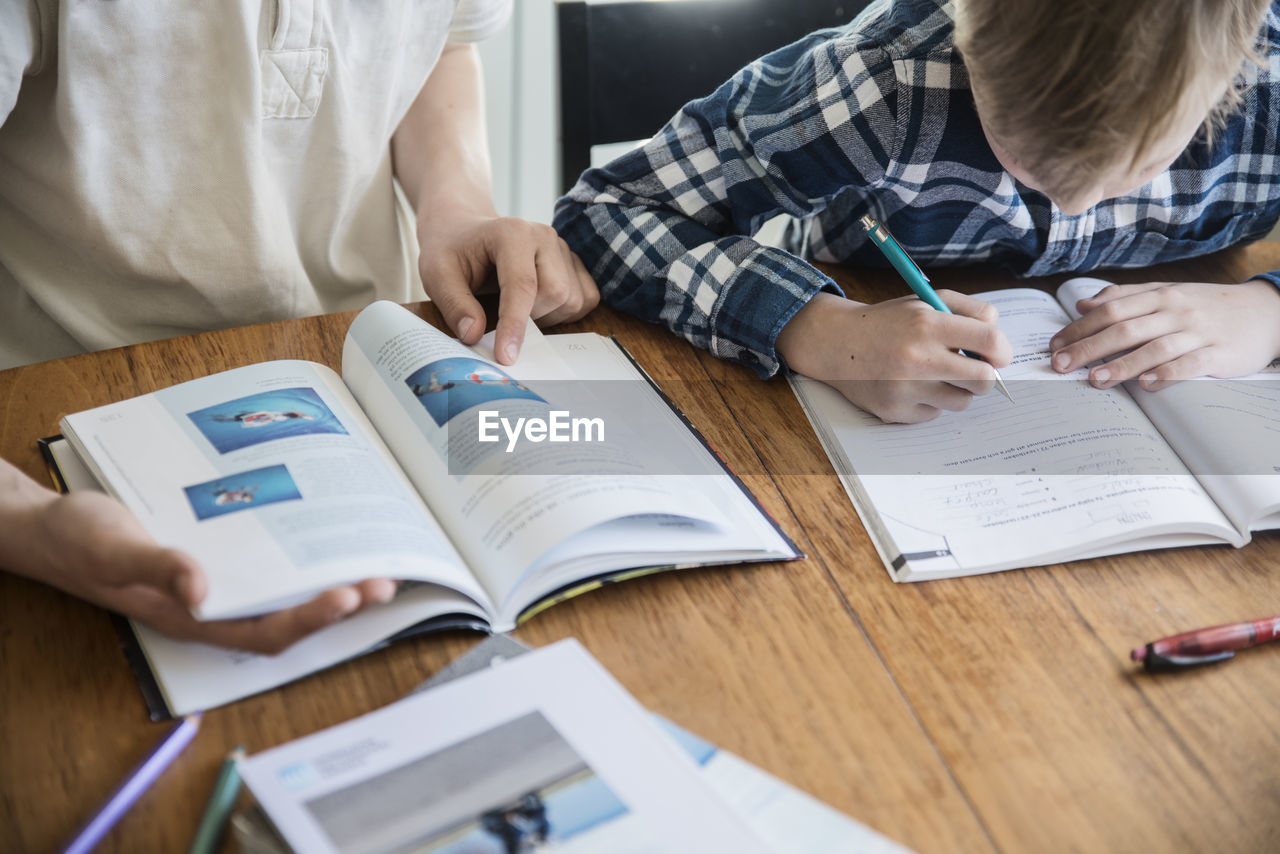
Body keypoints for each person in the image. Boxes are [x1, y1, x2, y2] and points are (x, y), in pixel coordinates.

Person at [0, 0, 598, 653]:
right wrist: (30, 526)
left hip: (365, 364)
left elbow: (441, 43)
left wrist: (455, 210)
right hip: (63, 405)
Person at [554, 0, 1280, 426]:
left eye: (1145, 163)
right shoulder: (885, 82)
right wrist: (816, 330)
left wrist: (1266, 312)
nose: (1076, 203)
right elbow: (610, 210)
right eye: (1024, 158)